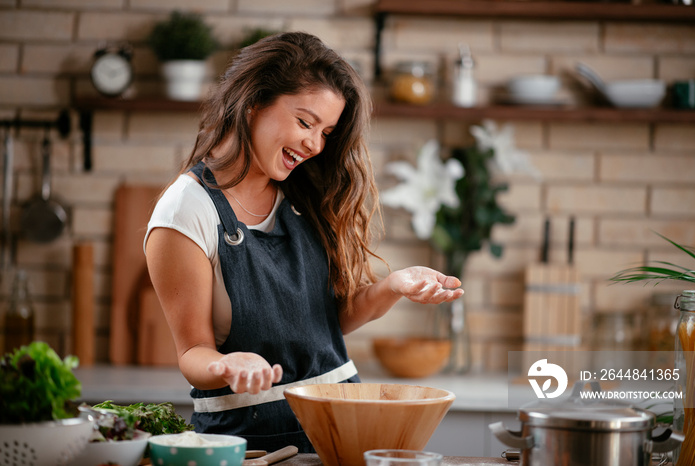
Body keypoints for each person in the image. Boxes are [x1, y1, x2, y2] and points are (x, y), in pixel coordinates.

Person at [144, 31, 464, 453]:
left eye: (327, 132)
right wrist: (225, 364)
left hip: (341, 427)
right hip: (247, 442)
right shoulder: (185, 211)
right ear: (254, 102)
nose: (315, 144)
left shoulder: (305, 194)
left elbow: (329, 321)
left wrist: (393, 286)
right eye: (304, 122)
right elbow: (192, 353)